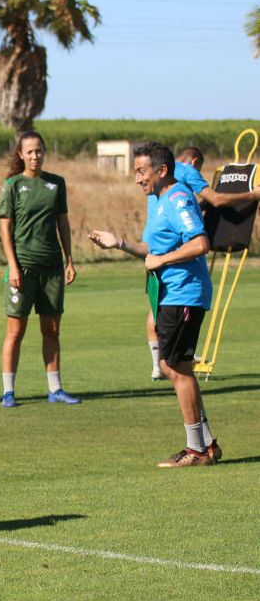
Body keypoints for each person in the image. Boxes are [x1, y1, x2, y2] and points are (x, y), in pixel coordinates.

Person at [89, 142, 218, 467]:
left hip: (184, 293)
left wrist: (163, 259)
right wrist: (118, 243)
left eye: (141, 171)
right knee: (175, 366)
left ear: (161, 171)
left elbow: (200, 242)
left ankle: (197, 451)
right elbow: (153, 248)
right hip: (168, 293)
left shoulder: (177, 198)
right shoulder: (157, 200)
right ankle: (207, 445)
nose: (136, 179)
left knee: (174, 367)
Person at [141, 147, 260, 379]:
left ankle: (159, 364)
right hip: (179, 262)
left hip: (154, 245)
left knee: (156, 306)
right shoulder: (186, 171)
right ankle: (173, 361)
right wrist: (253, 195)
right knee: (181, 366)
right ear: (195, 161)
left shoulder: (158, 179)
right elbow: (215, 199)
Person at [0, 131, 80, 408]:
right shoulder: (12, 185)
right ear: (20, 154)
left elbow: (63, 224)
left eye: (39, 151)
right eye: (29, 151)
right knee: (15, 331)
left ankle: (55, 388)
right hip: (22, 267)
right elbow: (5, 229)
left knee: (52, 329)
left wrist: (69, 259)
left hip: (52, 267)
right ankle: (8, 391)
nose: (35, 156)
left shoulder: (56, 184)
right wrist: (13, 265)